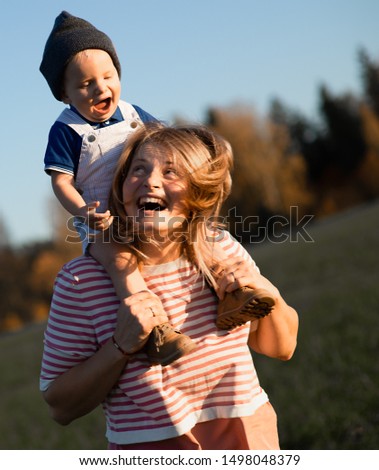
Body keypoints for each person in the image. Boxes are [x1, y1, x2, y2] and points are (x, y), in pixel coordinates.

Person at [40, 123, 299, 450]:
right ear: (121, 189)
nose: (150, 181)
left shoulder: (221, 249)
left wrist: (266, 289)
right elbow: (59, 405)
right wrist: (120, 346)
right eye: (138, 170)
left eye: (171, 172)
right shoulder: (82, 279)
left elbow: (283, 347)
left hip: (249, 438)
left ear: (196, 191)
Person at [39, 10, 196, 365]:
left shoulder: (133, 113)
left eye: (108, 76)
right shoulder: (66, 130)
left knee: (196, 232)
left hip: (147, 207)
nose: (100, 87)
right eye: (85, 84)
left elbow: (165, 144)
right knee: (122, 262)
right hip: (105, 225)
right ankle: (155, 330)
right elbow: (61, 181)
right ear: (64, 93)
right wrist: (83, 212)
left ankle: (234, 288)